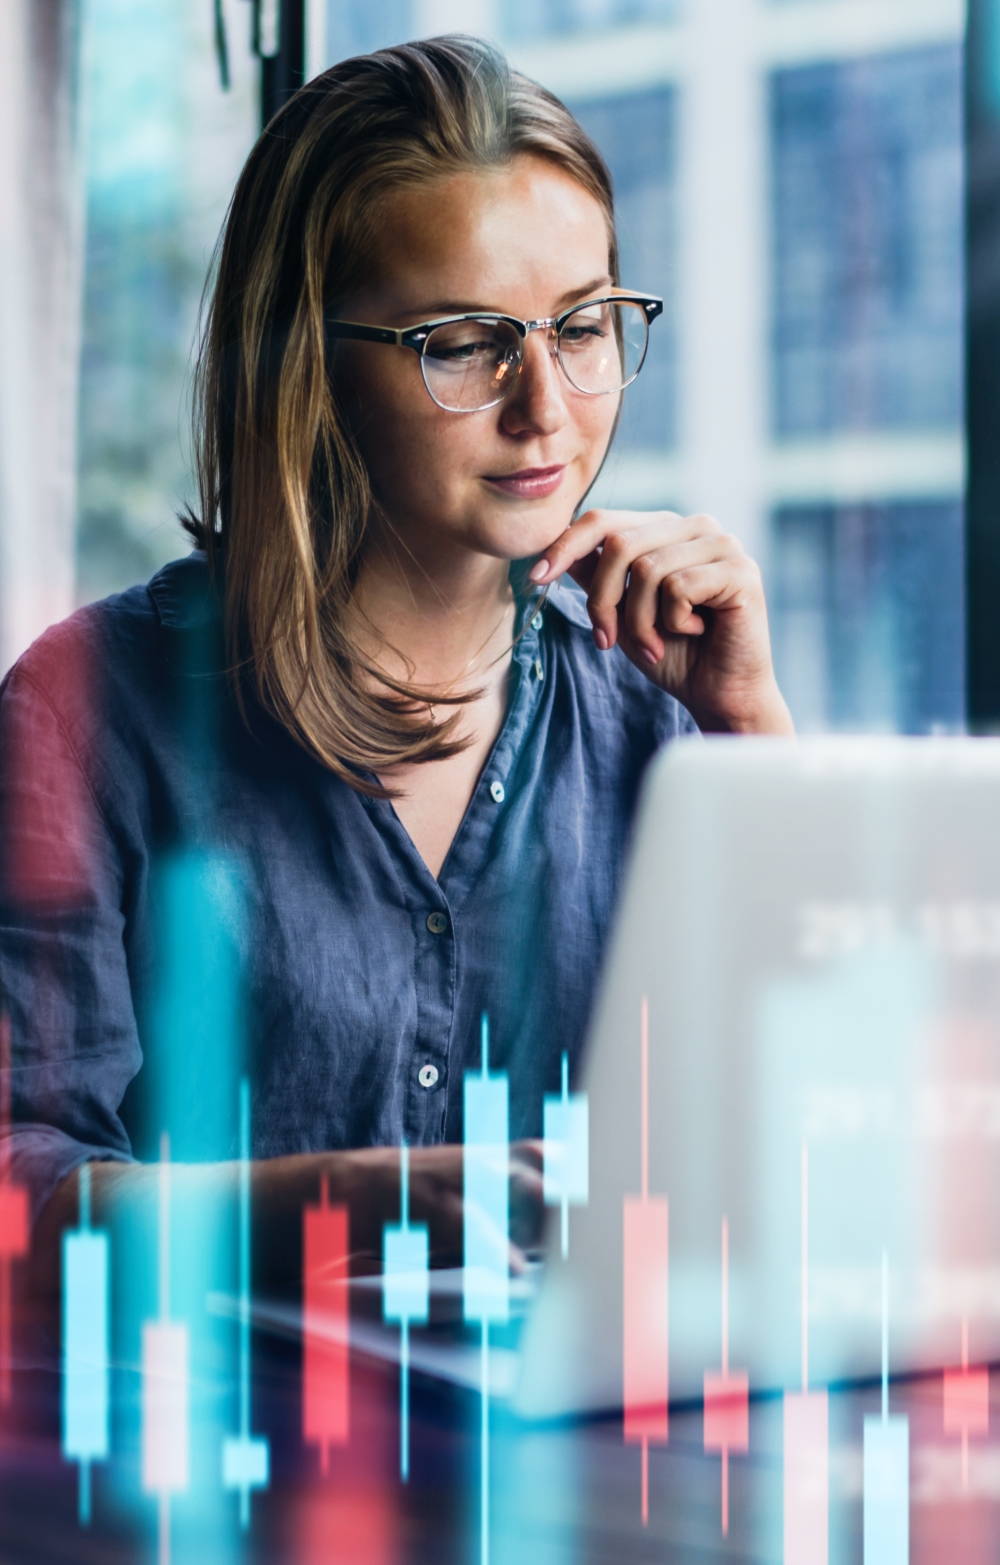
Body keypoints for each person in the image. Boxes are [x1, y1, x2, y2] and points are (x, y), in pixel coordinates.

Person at [0, 36, 792, 1298]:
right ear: (306, 361)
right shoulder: (90, 711)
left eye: (583, 325)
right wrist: (339, 1203)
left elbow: (822, 1146)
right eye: (465, 342)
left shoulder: (658, 709)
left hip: (578, 1467)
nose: (547, 404)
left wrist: (753, 734)